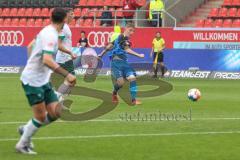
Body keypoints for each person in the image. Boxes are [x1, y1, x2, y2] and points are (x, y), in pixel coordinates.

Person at [15, 8, 76, 154]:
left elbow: (30, 46)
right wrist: (67, 74)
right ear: (64, 20)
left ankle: (26, 128)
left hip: (42, 80)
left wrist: (31, 62)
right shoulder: (50, 35)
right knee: (41, 116)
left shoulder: (47, 30)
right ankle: (22, 144)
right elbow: (47, 59)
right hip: (33, 81)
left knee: (56, 112)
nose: (70, 18)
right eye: (69, 16)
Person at [99, 23, 144, 105]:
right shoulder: (122, 37)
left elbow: (109, 47)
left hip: (125, 63)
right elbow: (127, 50)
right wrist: (139, 55)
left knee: (132, 78)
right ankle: (114, 93)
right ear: (125, 28)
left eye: (133, 31)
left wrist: (101, 55)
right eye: (130, 30)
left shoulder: (119, 39)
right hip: (116, 63)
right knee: (120, 83)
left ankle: (134, 100)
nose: (131, 33)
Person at [55, 8, 77, 96]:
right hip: (64, 59)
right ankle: (56, 97)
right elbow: (59, 45)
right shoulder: (63, 27)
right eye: (71, 14)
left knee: (71, 81)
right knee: (71, 80)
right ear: (66, 15)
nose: (73, 16)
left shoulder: (65, 26)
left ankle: (59, 100)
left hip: (65, 58)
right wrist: (70, 53)